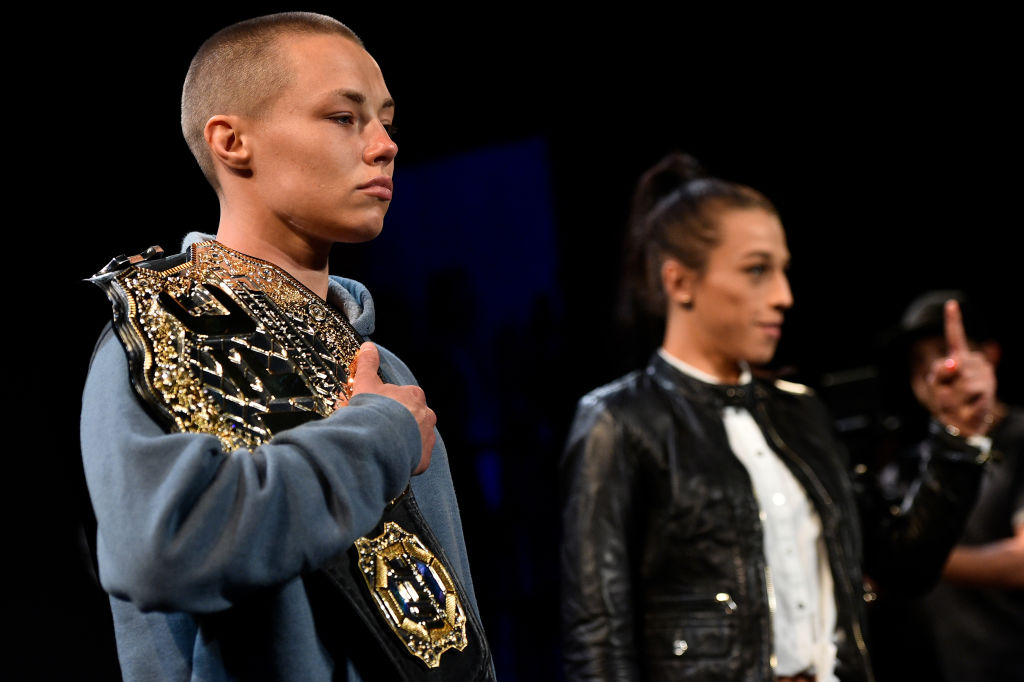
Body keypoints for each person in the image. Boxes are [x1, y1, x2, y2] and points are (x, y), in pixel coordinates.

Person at [80, 12, 494, 681]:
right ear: (232, 141)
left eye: (386, 120)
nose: (384, 144)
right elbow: (167, 549)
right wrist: (376, 438)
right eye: (344, 117)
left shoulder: (383, 368)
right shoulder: (160, 326)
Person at [558, 152, 997, 681]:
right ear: (679, 282)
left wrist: (958, 437)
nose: (784, 296)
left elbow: (904, 565)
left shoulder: (801, 412)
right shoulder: (619, 422)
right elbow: (598, 641)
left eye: (783, 270)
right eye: (757, 270)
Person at [870, 290, 1023, 682]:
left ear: (989, 356)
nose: (929, 370)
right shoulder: (904, 462)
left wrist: (897, 556)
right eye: (917, 360)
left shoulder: (1021, 438)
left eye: (943, 351)